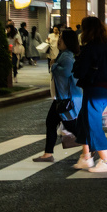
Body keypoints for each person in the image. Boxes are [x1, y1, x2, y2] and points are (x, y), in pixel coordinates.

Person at [72, 16, 107, 173]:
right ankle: (86, 157)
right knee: (84, 121)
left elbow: (80, 71)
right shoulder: (106, 47)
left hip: (94, 89)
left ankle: (105, 160)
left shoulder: (90, 49)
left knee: (92, 124)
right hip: (105, 88)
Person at [34, 29, 84, 163]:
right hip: (63, 97)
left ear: (67, 41)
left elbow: (67, 72)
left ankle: (91, 146)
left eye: (61, 38)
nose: (59, 40)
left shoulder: (67, 56)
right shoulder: (65, 54)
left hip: (67, 98)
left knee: (69, 125)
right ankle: (48, 154)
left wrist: (54, 65)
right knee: (52, 122)